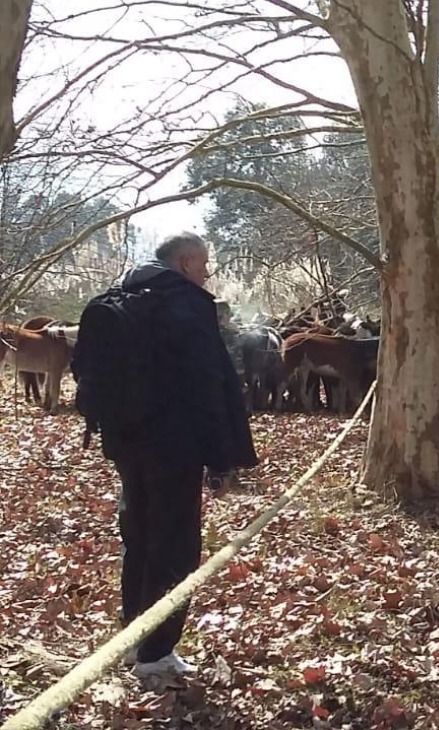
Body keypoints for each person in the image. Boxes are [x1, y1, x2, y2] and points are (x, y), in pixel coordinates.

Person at [95, 234, 258, 681]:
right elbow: (209, 384)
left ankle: (133, 637)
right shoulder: (184, 304)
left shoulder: (121, 295)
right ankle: (156, 653)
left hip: (126, 442)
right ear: (186, 262)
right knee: (174, 549)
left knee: (140, 538)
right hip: (175, 446)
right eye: (204, 264)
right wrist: (223, 458)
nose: (207, 272)